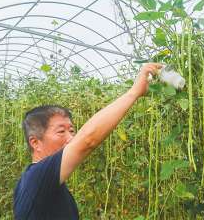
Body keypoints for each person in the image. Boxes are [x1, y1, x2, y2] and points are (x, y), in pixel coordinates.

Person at [13, 63, 162, 219]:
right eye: (61, 131)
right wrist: (134, 92)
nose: (71, 138)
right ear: (35, 143)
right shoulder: (36, 177)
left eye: (71, 131)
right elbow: (88, 140)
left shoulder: (39, 182)